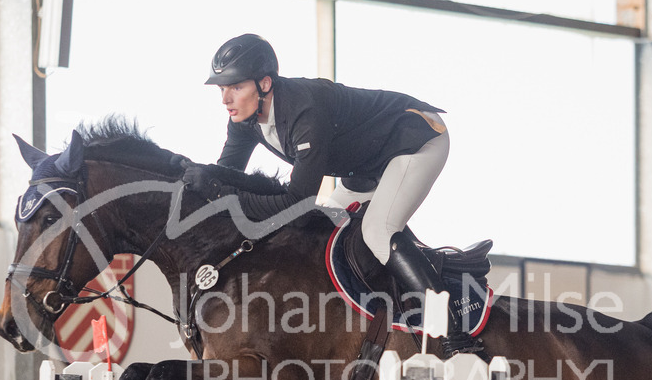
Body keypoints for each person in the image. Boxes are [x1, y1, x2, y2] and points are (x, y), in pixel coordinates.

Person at [185, 33, 469, 346]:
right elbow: (226, 176)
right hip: (366, 164)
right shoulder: (243, 120)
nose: (225, 99)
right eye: (222, 89)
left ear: (264, 84)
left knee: (378, 231)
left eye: (236, 88)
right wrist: (188, 176)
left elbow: (298, 204)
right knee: (323, 234)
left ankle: (451, 327)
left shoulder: (304, 111)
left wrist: (226, 197)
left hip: (415, 138)